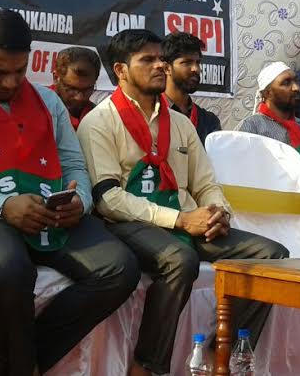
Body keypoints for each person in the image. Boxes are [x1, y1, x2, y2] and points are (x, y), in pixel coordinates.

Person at [0, 9, 140, 376]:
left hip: (49, 207)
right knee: (9, 269)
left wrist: (80, 201)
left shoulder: (48, 102)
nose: (10, 83)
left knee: (119, 268)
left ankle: (12, 362)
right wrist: (1, 206)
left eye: (20, 71)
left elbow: (73, 164)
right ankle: (20, 364)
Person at [78, 29, 288, 376]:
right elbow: (108, 199)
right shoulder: (99, 122)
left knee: (273, 255)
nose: (160, 66)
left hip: (187, 220)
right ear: (120, 70)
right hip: (128, 224)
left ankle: (224, 354)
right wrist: (180, 220)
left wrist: (219, 212)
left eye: (162, 58)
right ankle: (147, 366)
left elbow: (205, 183)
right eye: (148, 60)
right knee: (179, 259)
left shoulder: (179, 123)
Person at [236, 61, 300, 248]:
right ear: (267, 93)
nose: (296, 88)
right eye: (286, 83)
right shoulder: (253, 126)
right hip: (273, 203)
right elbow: (246, 179)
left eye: (296, 81)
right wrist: (297, 196)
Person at [161, 31, 221, 144]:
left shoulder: (209, 121)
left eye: (197, 62)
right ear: (167, 68)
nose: (195, 69)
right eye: (187, 62)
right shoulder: (150, 114)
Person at [51, 46, 102, 129]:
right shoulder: (37, 108)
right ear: (56, 78)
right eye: (72, 89)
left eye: (87, 89)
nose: (79, 98)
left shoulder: (100, 117)